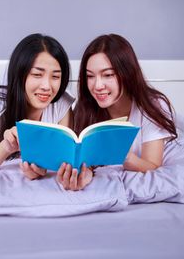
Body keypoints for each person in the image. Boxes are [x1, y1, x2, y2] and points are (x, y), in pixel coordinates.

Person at [57, 34, 178, 190]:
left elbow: (153, 165)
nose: (97, 85)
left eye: (108, 75)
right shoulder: (86, 108)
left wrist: (124, 157)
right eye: (90, 76)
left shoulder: (153, 106)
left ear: (127, 73)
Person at [0, 33, 78, 181]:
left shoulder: (61, 105)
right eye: (37, 75)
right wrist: (7, 147)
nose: (46, 86)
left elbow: (65, 154)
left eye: (55, 77)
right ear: (19, 75)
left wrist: (43, 167)